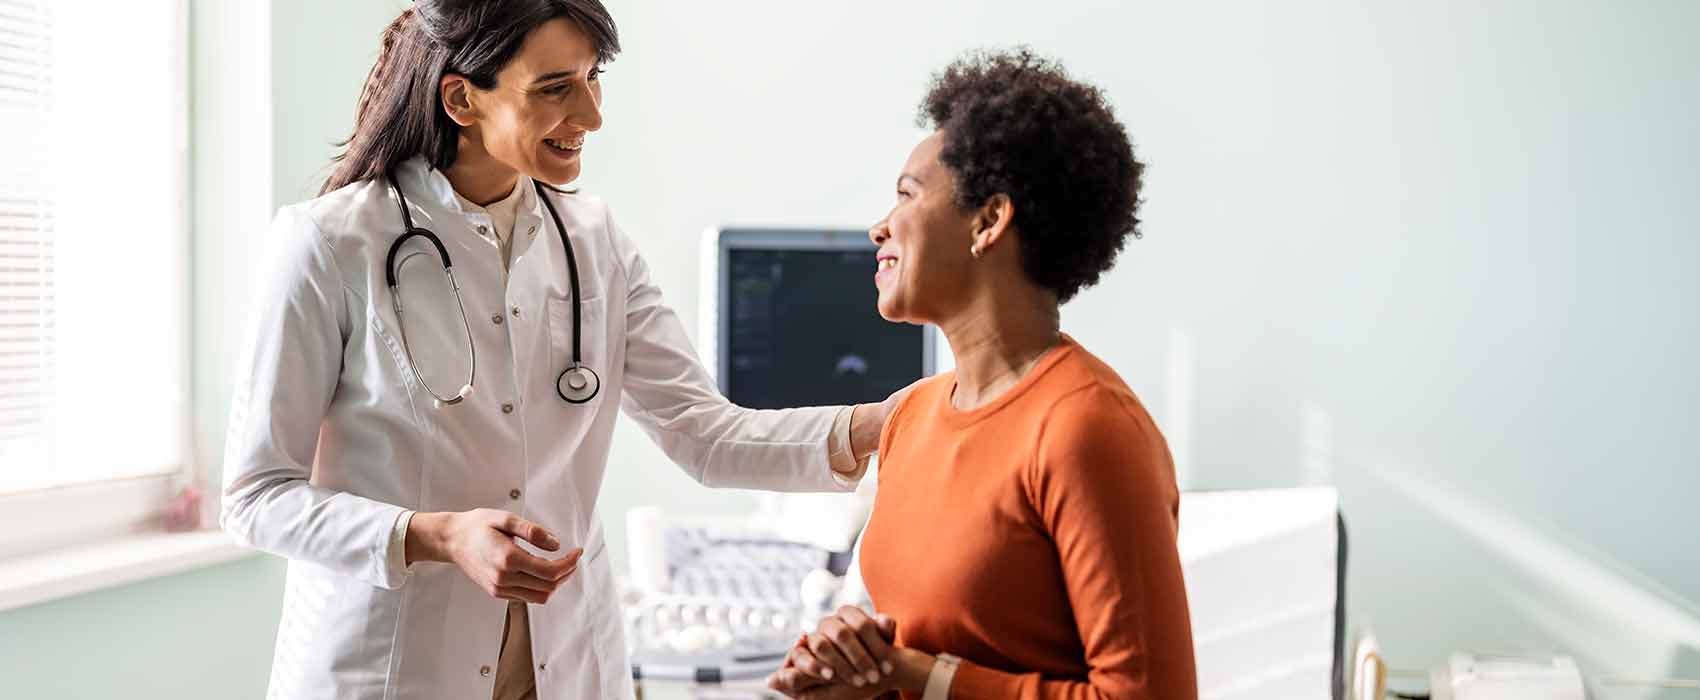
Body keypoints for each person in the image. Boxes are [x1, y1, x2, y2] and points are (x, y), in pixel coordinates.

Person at [219, 2, 903, 698]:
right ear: (461, 97)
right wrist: (436, 535)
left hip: (565, 665)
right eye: (555, 88)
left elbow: (706, 434)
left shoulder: (593, 241)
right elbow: (256, 497)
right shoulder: (331, 244)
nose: (592, 115)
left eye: (592, 77)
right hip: (391, 669)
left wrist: (902, 421)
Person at [767, 48, 1199, 700]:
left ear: (989, 221)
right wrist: (851, 674)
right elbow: (927, 648)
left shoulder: (1088, 430)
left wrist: (916, 674)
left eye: (906, 195)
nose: (877, 227)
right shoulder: (910, 418)